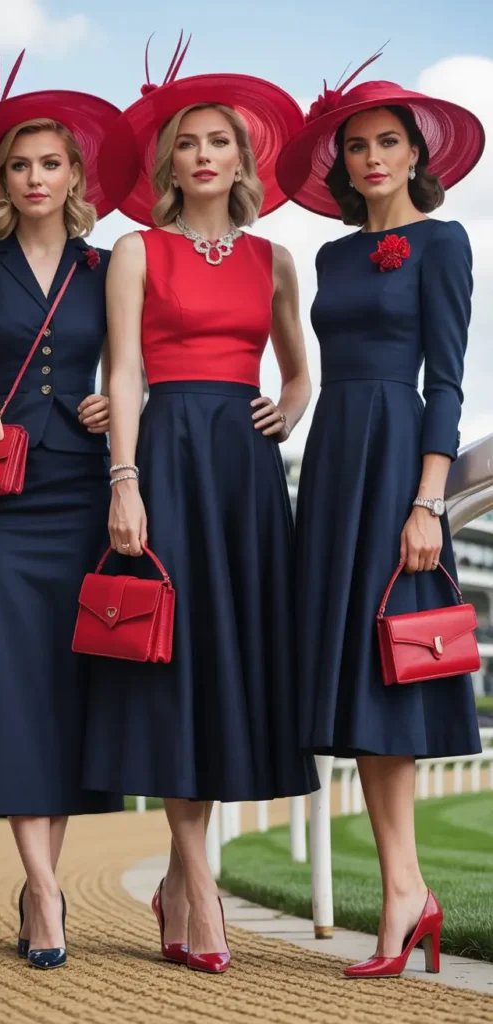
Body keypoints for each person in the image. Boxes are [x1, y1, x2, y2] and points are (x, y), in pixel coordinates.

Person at [84, 43, 319, 975]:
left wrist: (290, 406)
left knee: (224, 667)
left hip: (247, 473)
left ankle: (179, 886)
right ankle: (201, 890)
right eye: (190, 144)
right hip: (168, 462)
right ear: (169, 166)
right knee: (174, 665)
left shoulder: (275, 259)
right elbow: (125, 369)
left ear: (242, 160)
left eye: (220, 142)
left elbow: (298, 368)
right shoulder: (137, 250)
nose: (206, 155)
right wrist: (125, 477)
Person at [276, 64, 485, 978]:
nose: (370, 158)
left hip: (400, 457)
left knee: (386, 671)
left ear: (416, 153)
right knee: (359, 677)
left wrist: (428, 500)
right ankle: (408, 890)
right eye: (356, 146)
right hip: (332, 461)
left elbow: (448, 381)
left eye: (387, 143)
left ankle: (407, 890)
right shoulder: (328, 257)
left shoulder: (443, 244)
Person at [0, 53, 125, 970]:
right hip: (3, 502)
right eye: (21, 166)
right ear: (1, 181)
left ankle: (43, 875)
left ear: (74, 177)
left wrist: (113, 411)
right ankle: (43, 892)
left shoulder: (109, 265)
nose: (37, 178)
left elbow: (137, 375)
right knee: (11, 680)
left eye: (52, 164)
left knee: (73, 682)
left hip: (88, 489)